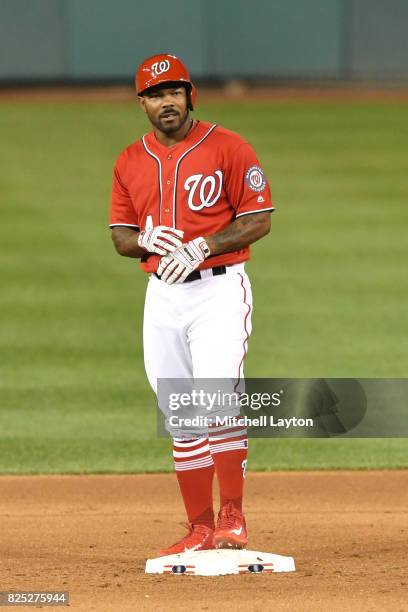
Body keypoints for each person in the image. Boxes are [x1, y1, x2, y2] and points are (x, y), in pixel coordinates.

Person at [110, 53, 274, 556]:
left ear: (190, 95)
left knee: (216, 396)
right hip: (162, 296)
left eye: (174, 93)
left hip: (219, 291)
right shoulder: (129, 161)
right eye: (156, 95)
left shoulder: (229, 146)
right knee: (180, 411)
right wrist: (146, 240)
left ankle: (233, 516)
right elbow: (120, 235)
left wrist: (204, 246)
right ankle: (199, 527)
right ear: (143, 103)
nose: (167, 103)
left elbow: (259, 218)